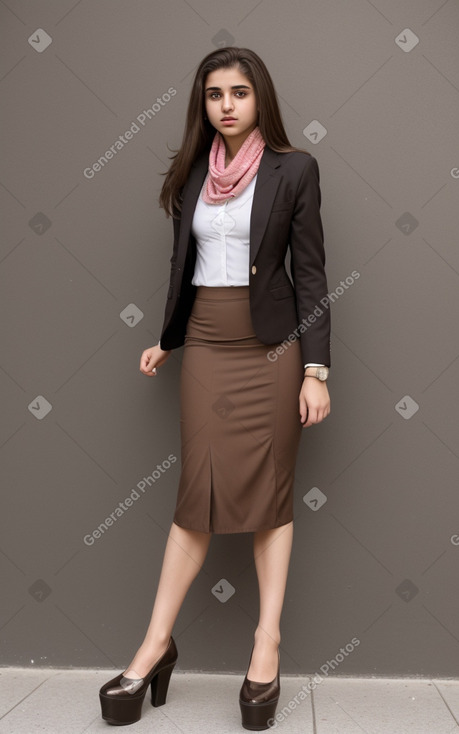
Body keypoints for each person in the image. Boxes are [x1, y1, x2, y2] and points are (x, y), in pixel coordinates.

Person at [99, 46, 331, 730]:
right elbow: (185, 265)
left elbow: (312, 275)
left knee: (269, 493)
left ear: (259, 97)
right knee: (194, 496)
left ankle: (267, 642)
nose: (225, 104)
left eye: (238, 92)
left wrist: (315, 369)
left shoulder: (295, 170)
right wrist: (167, 340)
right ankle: (154, 643)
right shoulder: (194, 172)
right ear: (202, 104)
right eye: (213, 95)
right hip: (204, 342)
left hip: (273, 352)